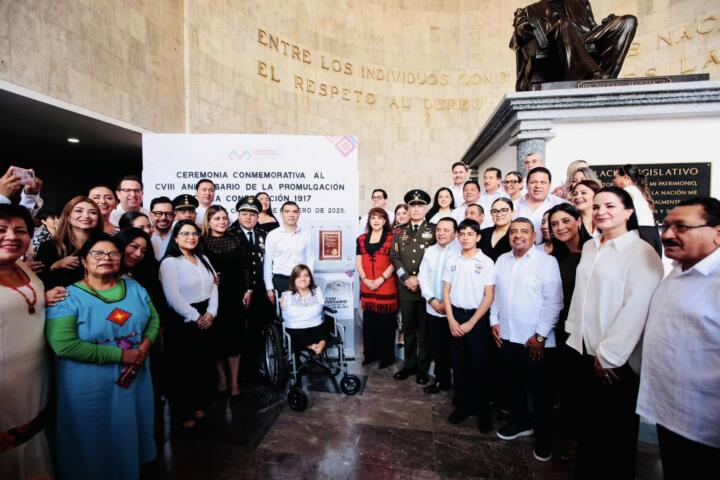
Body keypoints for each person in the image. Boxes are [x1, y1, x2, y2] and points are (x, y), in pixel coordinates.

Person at [565, 186, 663, 479]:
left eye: (609, 206)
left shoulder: (641, 252)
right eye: (596, 207)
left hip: (614, 361)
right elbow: (581, 295)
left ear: (629, 212)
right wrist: (574, 333)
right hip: (584, 347)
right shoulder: (591, 246)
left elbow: (637, 308)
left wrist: (610, 355)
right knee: (590, 426)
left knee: (614, 433)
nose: (600, 212)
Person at [45, 233, 159, 479]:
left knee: (129, 430)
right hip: (88, 384)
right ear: (84, 260)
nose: (106, 258)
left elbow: (154, 319)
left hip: (136, 375)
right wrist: (121, 355)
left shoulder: (134, 287)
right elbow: (63, 345)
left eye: (113, 253)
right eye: (98, 253)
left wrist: (143, 349)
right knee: (92, 437)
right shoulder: (67, 297)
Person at [636, 197, 720, 480]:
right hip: (668, 410)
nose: (667, 234)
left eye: (681, 227)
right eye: (667, 225)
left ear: (717, 232)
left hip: (707, 424)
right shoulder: (676, 271)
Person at [491, 218, 562, 462]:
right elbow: (497, 294)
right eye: (513, 232)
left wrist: (541, 335)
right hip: (508, 335)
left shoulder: (546, 262)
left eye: (523, 231)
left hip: (536, 341)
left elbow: (554, 302)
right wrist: (493, 321)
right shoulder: (502, 260)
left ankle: (544, 440)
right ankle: (520, 422)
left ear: (534, 236)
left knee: (541, 393)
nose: (517, 235)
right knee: (513, 385)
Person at [0, 204, 52, 479]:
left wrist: (50, 295)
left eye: (20, 231)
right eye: (1, 230)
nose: (11, 236)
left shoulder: (26, 270)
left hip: (33, 383)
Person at [160, 220, 218, 429]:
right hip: (183, 320)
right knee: (183, 370)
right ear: (175, 238)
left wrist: (211, 313)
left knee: (202, 366)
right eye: (185, 234)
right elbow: (173, 296)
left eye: (194, 233)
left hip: (206, 317)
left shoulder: (203, 258)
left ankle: (199, 405)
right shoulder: (170, 262)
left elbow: (214, 287)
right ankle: (183, 412)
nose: (190, 237)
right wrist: (196, 317)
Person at [510, 0, 637, 91]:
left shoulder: (581, 3)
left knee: (628, 21)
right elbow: (517, 40)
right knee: (565, 24)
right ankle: (591, 76)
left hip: (581, 38)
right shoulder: (529, 10)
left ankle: (605, 79)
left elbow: (592, 27)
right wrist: (523, 29)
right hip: (551, 45)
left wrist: (608, 24)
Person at [442, 219, 495, 432]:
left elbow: (489, 296)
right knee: (459, 365)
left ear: (478, 237)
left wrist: (472, 323)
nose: (465, 238)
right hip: (455, 316)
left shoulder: (486, 262)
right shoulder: (453, 259)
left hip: (476, 319)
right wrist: (451, 319)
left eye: (470, 234)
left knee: (479, 366)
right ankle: (462, 407)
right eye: (462, 234)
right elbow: (446, 291)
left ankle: (483, 413)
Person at [547, 203, 587, 461]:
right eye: (554, 224)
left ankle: (580, 439)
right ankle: (566, 433)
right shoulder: (556, 255)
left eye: (565, 221)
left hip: (586, 329)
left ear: (579, 221)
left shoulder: (594, 251)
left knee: (582, 386)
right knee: (563, 383)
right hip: (559, 326)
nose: (560, 227)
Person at [202, 205, 250, 397]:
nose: (221, 222)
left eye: (224, 218)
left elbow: (246, 266)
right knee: (217, 340)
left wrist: (248, 289)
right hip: (213, 297)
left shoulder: (237, 239)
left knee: (235, 340)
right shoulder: (202, 242)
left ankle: (235, 382)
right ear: (209, 221)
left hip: (235, 295)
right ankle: (222, 379)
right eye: (216, 219)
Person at [390, 189, 436, 384]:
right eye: (412, 206)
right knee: (408, 330)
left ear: (425, 208)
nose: (416, 209)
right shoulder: (399, 231)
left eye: (420, 205)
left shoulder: (434, 230)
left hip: (426, 290)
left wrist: (420, 280)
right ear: (408, 208)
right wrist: (407, 278)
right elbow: (394, 257)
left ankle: (423, 370)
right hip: (406, 288)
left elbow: (436, 259)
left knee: (425, 333)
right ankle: (409, 366)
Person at [230, 195, 272, 382]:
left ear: (258, 216)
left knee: (258, 331)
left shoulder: (264, 235)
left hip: (260, 292)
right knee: (239, 333)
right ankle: (240, 374)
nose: (248, 218)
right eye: (244, 213)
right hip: (239, 292)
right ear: (238, 214)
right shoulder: (230, 234)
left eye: (252, 214)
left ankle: (256, 369)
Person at [418, 217, 457, 393]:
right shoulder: (429, 251)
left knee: (455, 350)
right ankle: (442, 381)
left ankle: (460, 386)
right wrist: (432, 299)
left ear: (456, 233)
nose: (441, 233)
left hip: (454, 311)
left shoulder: (460, 252)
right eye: (439, 229)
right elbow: (422, 276)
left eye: (446, 230)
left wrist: (447, 305)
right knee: (438, 348)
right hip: (433, 308)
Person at [356, 208, 397, 369]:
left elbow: (395, 261)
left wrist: (380, 279)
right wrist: (365, 279)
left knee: (386, 324)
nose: (376, 220)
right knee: (369, 324)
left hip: (386, 285)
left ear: (385, 221)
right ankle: (370, 355)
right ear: (369, 220)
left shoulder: (392, 237)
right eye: (373, 217)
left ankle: (386, 357)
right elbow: (358, 262)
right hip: (367, 286)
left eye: (380, 218)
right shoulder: (360, 239)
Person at [35, 195, 104, 289]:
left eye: (92, 212)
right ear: (67, 216)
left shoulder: (107, 244)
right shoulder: (49, 246)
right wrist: (54, 266)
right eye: (78, 211)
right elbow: (38, 281)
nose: (86, 216)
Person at [263, 201, 314, 303]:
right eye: (287, 211)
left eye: (295, 212)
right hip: (280, 281)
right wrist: (269, 287)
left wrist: (309, 282)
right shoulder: (273, 235)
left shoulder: (306, 234)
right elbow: (267, 263)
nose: (291, 215)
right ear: (281, 214)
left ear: (299, 214)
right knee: (283, 315)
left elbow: (310, 260)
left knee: (302, 314)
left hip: (301, 281)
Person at [613, 164, 661, 255]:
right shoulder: (639, 192)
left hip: (640, 234)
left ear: (626, 177)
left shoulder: (626, 192)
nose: (613, 180)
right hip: (652, 234)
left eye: (616, 177)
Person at [280, 265, 327, 355]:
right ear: (293, 279)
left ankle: (320, 345)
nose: (303, 279)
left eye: (306, 275)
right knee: (295, 336)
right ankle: (312, 346)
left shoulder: (317, 292)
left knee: (324, 331)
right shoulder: (286, 296)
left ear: (310, 278)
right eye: (299, 276)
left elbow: (322, 307)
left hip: (316, 326)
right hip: (295, 329)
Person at [514, 167, 567, 242]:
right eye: (533, 182)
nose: (538, 186)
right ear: (526, 184)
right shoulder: (513, 206)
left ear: (550, 184)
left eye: (543, 182)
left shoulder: (561, 204)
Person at [480, 198, 513, 262]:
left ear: (512, 212)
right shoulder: (482, 233)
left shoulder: (519, 234)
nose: (499, 214)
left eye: (504, 210)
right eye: (495, 211)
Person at [149, 196, 175, 260]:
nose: (163, 218)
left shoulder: (179, 236)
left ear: (174, 216)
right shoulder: (145, 235)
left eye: (168, 214)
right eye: (158, 213)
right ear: (150, 215)